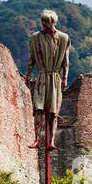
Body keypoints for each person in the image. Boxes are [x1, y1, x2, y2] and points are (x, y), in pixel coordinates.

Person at [25, 9, 70, 149]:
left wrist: (64, 78)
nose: (44, 24)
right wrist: (28, 75)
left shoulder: (63, 38)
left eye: (47, 21)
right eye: (43, 21)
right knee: (38, 109)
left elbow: (65, 61)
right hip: (42, 77)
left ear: (53, 22)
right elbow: (32, 58)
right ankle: (37, 139)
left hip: (55, 77)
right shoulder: (35, 37)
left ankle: (51, 141)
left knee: (53, 111)